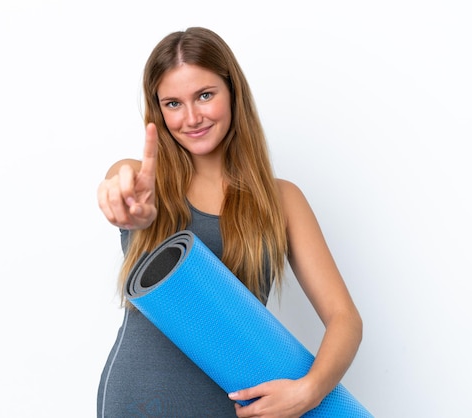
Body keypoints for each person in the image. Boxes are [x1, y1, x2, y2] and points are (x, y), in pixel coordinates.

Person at [96, 26, 363, 418]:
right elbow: (119, 192)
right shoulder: (139, 180)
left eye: (205, 95)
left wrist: (310, 391)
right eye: (172, 103)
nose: (191, 117)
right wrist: (134, 211)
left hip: (240, 406)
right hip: (139, 399)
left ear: (232, 92)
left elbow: (345, 319)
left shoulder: (282, 200)